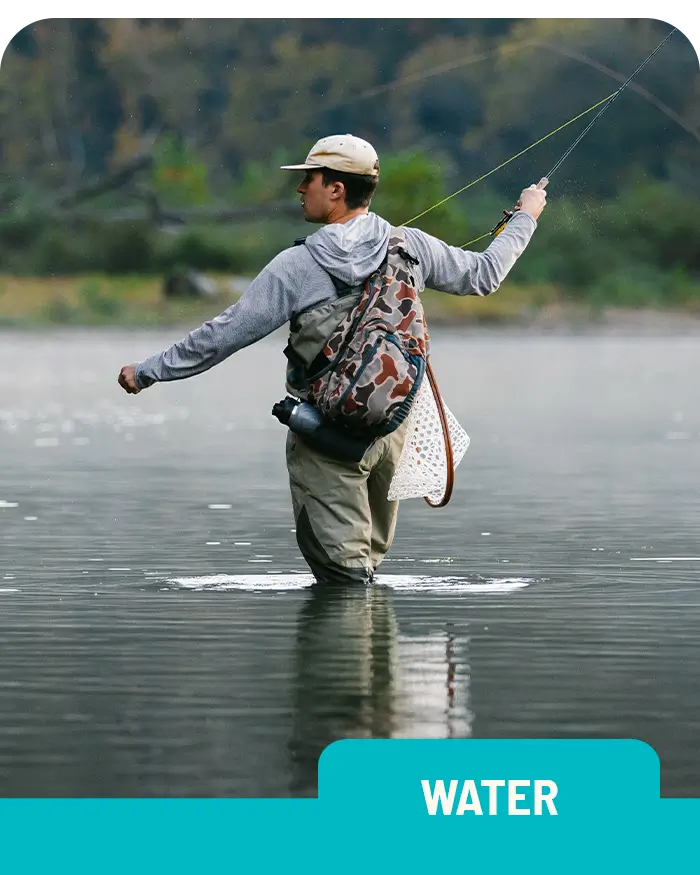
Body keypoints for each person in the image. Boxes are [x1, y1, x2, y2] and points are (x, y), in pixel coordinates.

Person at [118, 134, 547, 585]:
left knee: (343, 577)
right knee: (366, 571)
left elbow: (224, 335)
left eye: (310, 179)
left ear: (337, 189)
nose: (301, 188)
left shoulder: (296, 266)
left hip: (326, 435)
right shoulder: (412, 245)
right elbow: (484, 275)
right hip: (391, 429)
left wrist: (147, 372)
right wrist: (526, 216)